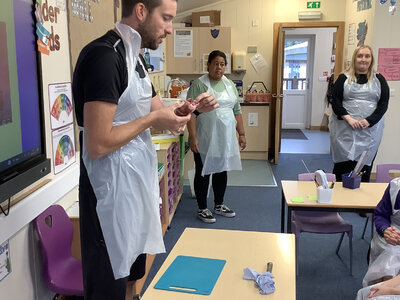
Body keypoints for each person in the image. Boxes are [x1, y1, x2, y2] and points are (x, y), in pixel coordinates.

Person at [72, 1, 218, 299]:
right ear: (141, 11)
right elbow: (98, 144)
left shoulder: (135, 59)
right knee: (106, 285)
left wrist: (191, 109)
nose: (169, 28)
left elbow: (166, 120)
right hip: (107, 192)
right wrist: (154, 118)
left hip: (134, 185)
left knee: (132, 273)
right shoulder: (105, 56)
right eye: (165, 18)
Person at [187, 50, 246, 223]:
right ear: (209, 65)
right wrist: (193, 137)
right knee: (203, 171)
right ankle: (202, 208)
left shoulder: (230, 85)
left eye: (222, 64)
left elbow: (237, 110)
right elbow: (191, 112)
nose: (219, 67)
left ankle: (219, 204)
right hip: (205, 136)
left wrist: (241, 133)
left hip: (225, 137)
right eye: (215, 63)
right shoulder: (199, 84)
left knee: (222, 169)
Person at [330, 45, 390, 182]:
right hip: (345, 129)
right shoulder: (343, 79)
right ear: (354, 58)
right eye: (360, 56)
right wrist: (349, 119)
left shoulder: (379, 79)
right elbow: (336, 102)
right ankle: (339, 199)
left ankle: (360, 200)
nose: (363, 59)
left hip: (370, 131)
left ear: (371, 59)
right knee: (343, 166)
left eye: (367, 56)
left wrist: (369, 121)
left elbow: (383, 105)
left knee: (363, 167)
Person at [362, 177, 400, 287]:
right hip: (392, 234)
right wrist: (385, 230)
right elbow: (381, 214)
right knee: (386, 266)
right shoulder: (396, 187)